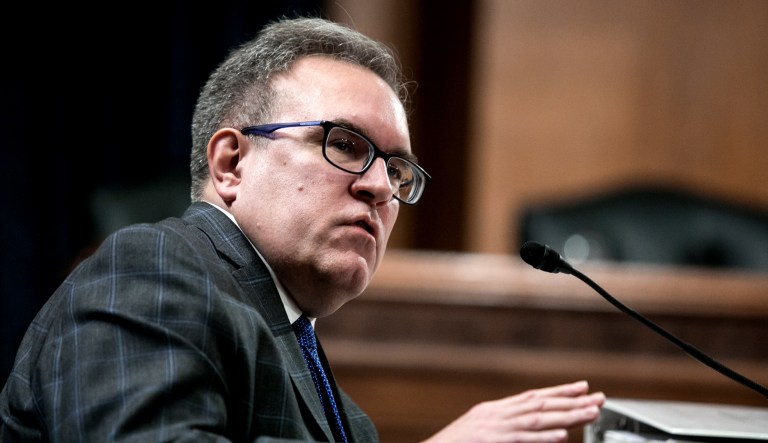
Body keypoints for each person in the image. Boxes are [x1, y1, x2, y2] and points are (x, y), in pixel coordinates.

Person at [0, 16, 604, 442]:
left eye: (397, 170)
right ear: (232, 163)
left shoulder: (342, 411)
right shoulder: (152, 270)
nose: (378, 187)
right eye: (344, 144)